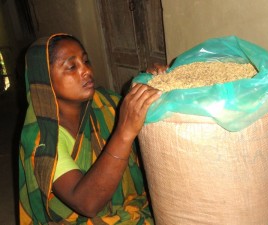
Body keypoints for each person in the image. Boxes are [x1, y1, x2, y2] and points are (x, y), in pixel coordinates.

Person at [18, 33, 163, 224]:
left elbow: (139, 114)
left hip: (125, 205)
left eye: (86, 61)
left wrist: (155, 81)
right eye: (72, 67)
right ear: (44, 79)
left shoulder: (103, 103)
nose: (86, 70)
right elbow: (86, 203)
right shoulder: (41, 139)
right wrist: (124, 132)